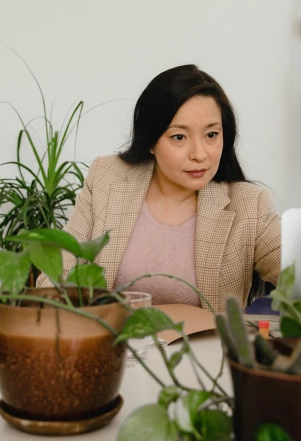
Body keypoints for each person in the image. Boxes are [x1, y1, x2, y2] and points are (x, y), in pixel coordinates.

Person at [37, 65, 281, 312]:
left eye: (211, 134)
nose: (199, 154)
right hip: (117, 346)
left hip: (207, 350)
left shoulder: (249, 204)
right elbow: (57, 271)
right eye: (179, 137)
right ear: (151, 141)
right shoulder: (107, 178)